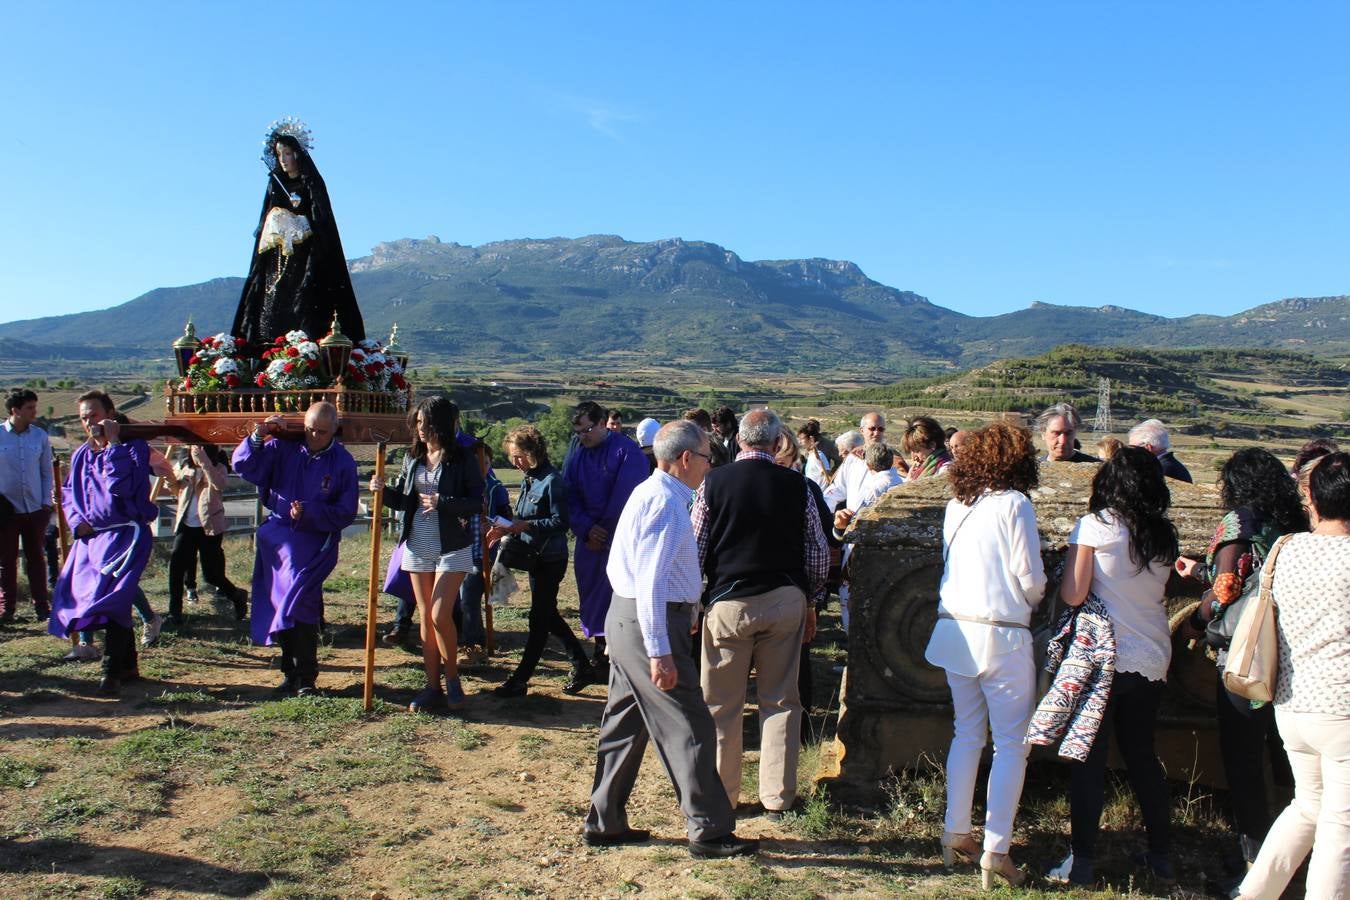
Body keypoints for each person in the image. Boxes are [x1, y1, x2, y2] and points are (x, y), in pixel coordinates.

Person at [585, 420, 758, 859]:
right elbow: (651, 583)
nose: (709, 466)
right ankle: (709, 830)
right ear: (685, 458)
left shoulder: (651, 493)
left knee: (625, 723)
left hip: (632, 619)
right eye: (706, 458)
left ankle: (605, 821)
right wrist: (660, 650)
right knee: (690, 725)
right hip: (649, 622)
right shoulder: (665, 503)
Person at [1048, 447, 1180, 886]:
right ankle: (1161, 854)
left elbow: (1073, 593)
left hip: (1102, 656)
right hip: (1152, 653)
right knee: (1142, 756)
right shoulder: (1164, 534)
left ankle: (1083, 860)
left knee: (1089, 757)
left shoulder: (1095, 526)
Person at [923, 422, 1045, 889]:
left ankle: (956, 829)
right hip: (1003, 633)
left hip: (955, 628)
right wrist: (1036, 598)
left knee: (967, 733)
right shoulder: (1015, 504)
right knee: (1012, 743)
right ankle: (996, 848)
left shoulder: (957, 505)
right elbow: (1029, 577)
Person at [1176, 448, 1307, 871]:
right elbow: (1256, 576)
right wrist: (1200, 571)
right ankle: (1297, 855)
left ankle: (1255, 862)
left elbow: (1228, 588)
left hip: (1246, 658)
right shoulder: (1292, 522)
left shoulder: (1239, 522)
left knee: (1244, 761)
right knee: (1287, 757)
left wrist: (1194, 623)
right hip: (1289, 654)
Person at [693, 409, 828, 818]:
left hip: (729, 601)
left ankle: (723, 796)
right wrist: (811, 599)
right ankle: (777, 797)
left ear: (739, 440)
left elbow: (695, 547)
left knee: (721, 704)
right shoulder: (798, 485)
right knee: (782, 701)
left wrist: (696, 601)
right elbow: (818, 551)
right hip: (784, 598)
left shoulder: (712, 482)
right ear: (775, 442)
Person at [1235, 452, 1350, 900]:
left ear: (1313, 501)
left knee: (1307, 807)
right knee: (1340, 825)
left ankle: (1253, 894)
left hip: (1291, 702)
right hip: (1342, 708)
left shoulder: (1286, 549)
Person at [234, 402, 358, 697]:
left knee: (300, 602)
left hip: (314, 540)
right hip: (278, 538)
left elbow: (346, 511)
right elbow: (246, 467)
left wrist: (309, 512)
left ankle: (305, 677)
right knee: (281, 603)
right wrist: (258, 436)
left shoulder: (343, 462)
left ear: (334, 430)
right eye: (311, 429)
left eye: (323, 432)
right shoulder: (283, 446)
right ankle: (289, 673)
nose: (315, 436)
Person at [372, 397, 483, 712]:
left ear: (441, 424)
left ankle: (452, 679)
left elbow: (477, 501)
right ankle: (432, 687)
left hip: (452, 546)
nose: (420, 429)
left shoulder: (462, 458)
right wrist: (383, 491)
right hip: (417, 545)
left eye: (426, 423)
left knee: (438, 614)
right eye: (417, 422)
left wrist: (442, 502)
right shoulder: (413, 458)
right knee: (424, 616)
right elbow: (405, 501)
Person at [47, 391, 157, 695]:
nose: (88, 422)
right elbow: (69, 495)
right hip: (92, 539)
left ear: (109, 414)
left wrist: (114, 444)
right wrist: (75, 521)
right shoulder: (81, 454)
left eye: (93, 415)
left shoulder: (133, 447)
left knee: (114, 601)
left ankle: (110, 673)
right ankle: (129, 665)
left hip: (125, 535)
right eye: (83, 417)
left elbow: (123, 487)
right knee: (93, 599)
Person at [231, 119, 364, 348]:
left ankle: (305, 344)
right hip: (278, 255)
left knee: (303, 299)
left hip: (306, 255)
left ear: (297, 154)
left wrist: (302, 222)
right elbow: (265, 218)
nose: (283, 160)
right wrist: (276, 220)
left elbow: (322, 218)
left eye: (287, 154)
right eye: (279, 154)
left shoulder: (311, 182)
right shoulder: (275, 184)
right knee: (273, 300)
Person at [488, 425, 591, 698]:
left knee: (538, 619)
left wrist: (525, 526)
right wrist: (506, 527)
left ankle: (520, 679)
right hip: (535, 557)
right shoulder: (529, 478)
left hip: (551, 559)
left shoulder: (552, 481)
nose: (514, 462)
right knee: (547, 615)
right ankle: (582, 666)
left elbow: (561, 522)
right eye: (511, 457)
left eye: (518, 456)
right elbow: (522, 517)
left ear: (532, 452)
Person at [562, 401, 649, 677]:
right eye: (577, 432)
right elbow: (568, 494)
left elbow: (628, 497)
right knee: (591, 597)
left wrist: (604, 532)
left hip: (618, 542)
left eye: (586, 430)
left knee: (616, 597)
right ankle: (600, 652)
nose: (582, 437)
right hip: (588, 541)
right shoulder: (578, 454)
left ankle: (617, 657)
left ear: (602, 423)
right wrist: (586, 528)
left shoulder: (627, 451)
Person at [165, 444, 248, 626]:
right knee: (176, 568)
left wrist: (204, 463)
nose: (193, 453)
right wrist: (169, 480)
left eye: (198, 450)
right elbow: (175, 490)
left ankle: (236, 595)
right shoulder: (184, 466)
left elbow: (219, 485)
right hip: (186, 525)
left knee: (211, 575)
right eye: (192, 450)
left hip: (209, 527)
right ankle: (174, 613)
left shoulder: (218, 468)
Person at [1, 388, 53, 622]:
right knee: (6, 561)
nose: (34, 412)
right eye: (30, 407)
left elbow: (46, 472)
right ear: (15, 410)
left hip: (35, 508)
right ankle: (6, 609)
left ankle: (42, 606)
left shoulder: (39, 436)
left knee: (36, 559)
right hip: (6, 510)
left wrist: (45, 502)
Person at [1128, 419, 1192, 483]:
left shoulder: (1158, 469)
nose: (1130, 452)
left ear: (1148, 447)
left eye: (1132, 448)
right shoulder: (1169, 464)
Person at [902, 416, 953, 482]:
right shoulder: (918, 471)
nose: (914, 458)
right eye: (911, 451)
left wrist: (910, 484)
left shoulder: (945, 471)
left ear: (932, 445)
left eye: (917, 451)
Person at [796, 419, 832, 491]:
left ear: (811, 439)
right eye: (799, 439)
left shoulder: (818, 456)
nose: (800, 441)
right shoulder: (811, 456)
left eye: (802, 439)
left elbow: (828, 477)